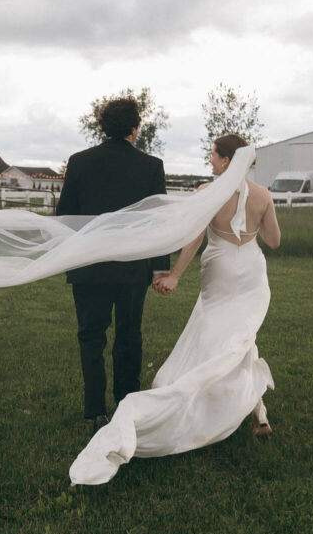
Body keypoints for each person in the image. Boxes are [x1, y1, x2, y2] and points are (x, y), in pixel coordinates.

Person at [69, 133, 281, 487]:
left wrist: (176, 275)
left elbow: (194, 238)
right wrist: (259, 221)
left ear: (227, 160)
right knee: (241, 337)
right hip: (252, 273)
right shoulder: (264, 196)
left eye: (213, 155)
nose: (210, 160)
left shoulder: (208, 193)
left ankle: (213, 401)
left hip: (222, 272)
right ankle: (257, 410)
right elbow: (273, 241)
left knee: (220, 337)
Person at [56, 97, 170, 433]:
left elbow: (65, 217)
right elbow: (159, 223)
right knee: (129, 335)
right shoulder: (152, 166)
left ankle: (95, 411)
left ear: (102, 127)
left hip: (89, 263)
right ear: (135, 128)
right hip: (133, 266)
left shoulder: (79, 162)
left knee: (91, 336)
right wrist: (159, 268)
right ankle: (126, 403)